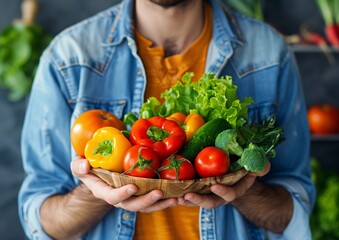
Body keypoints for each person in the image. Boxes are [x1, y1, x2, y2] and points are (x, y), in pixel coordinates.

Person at [18, 0, 316, 239]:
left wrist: (244, 187)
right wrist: (99, 191)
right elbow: (44, 220)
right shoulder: (68, 58)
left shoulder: (269, 53)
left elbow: (290, 212)